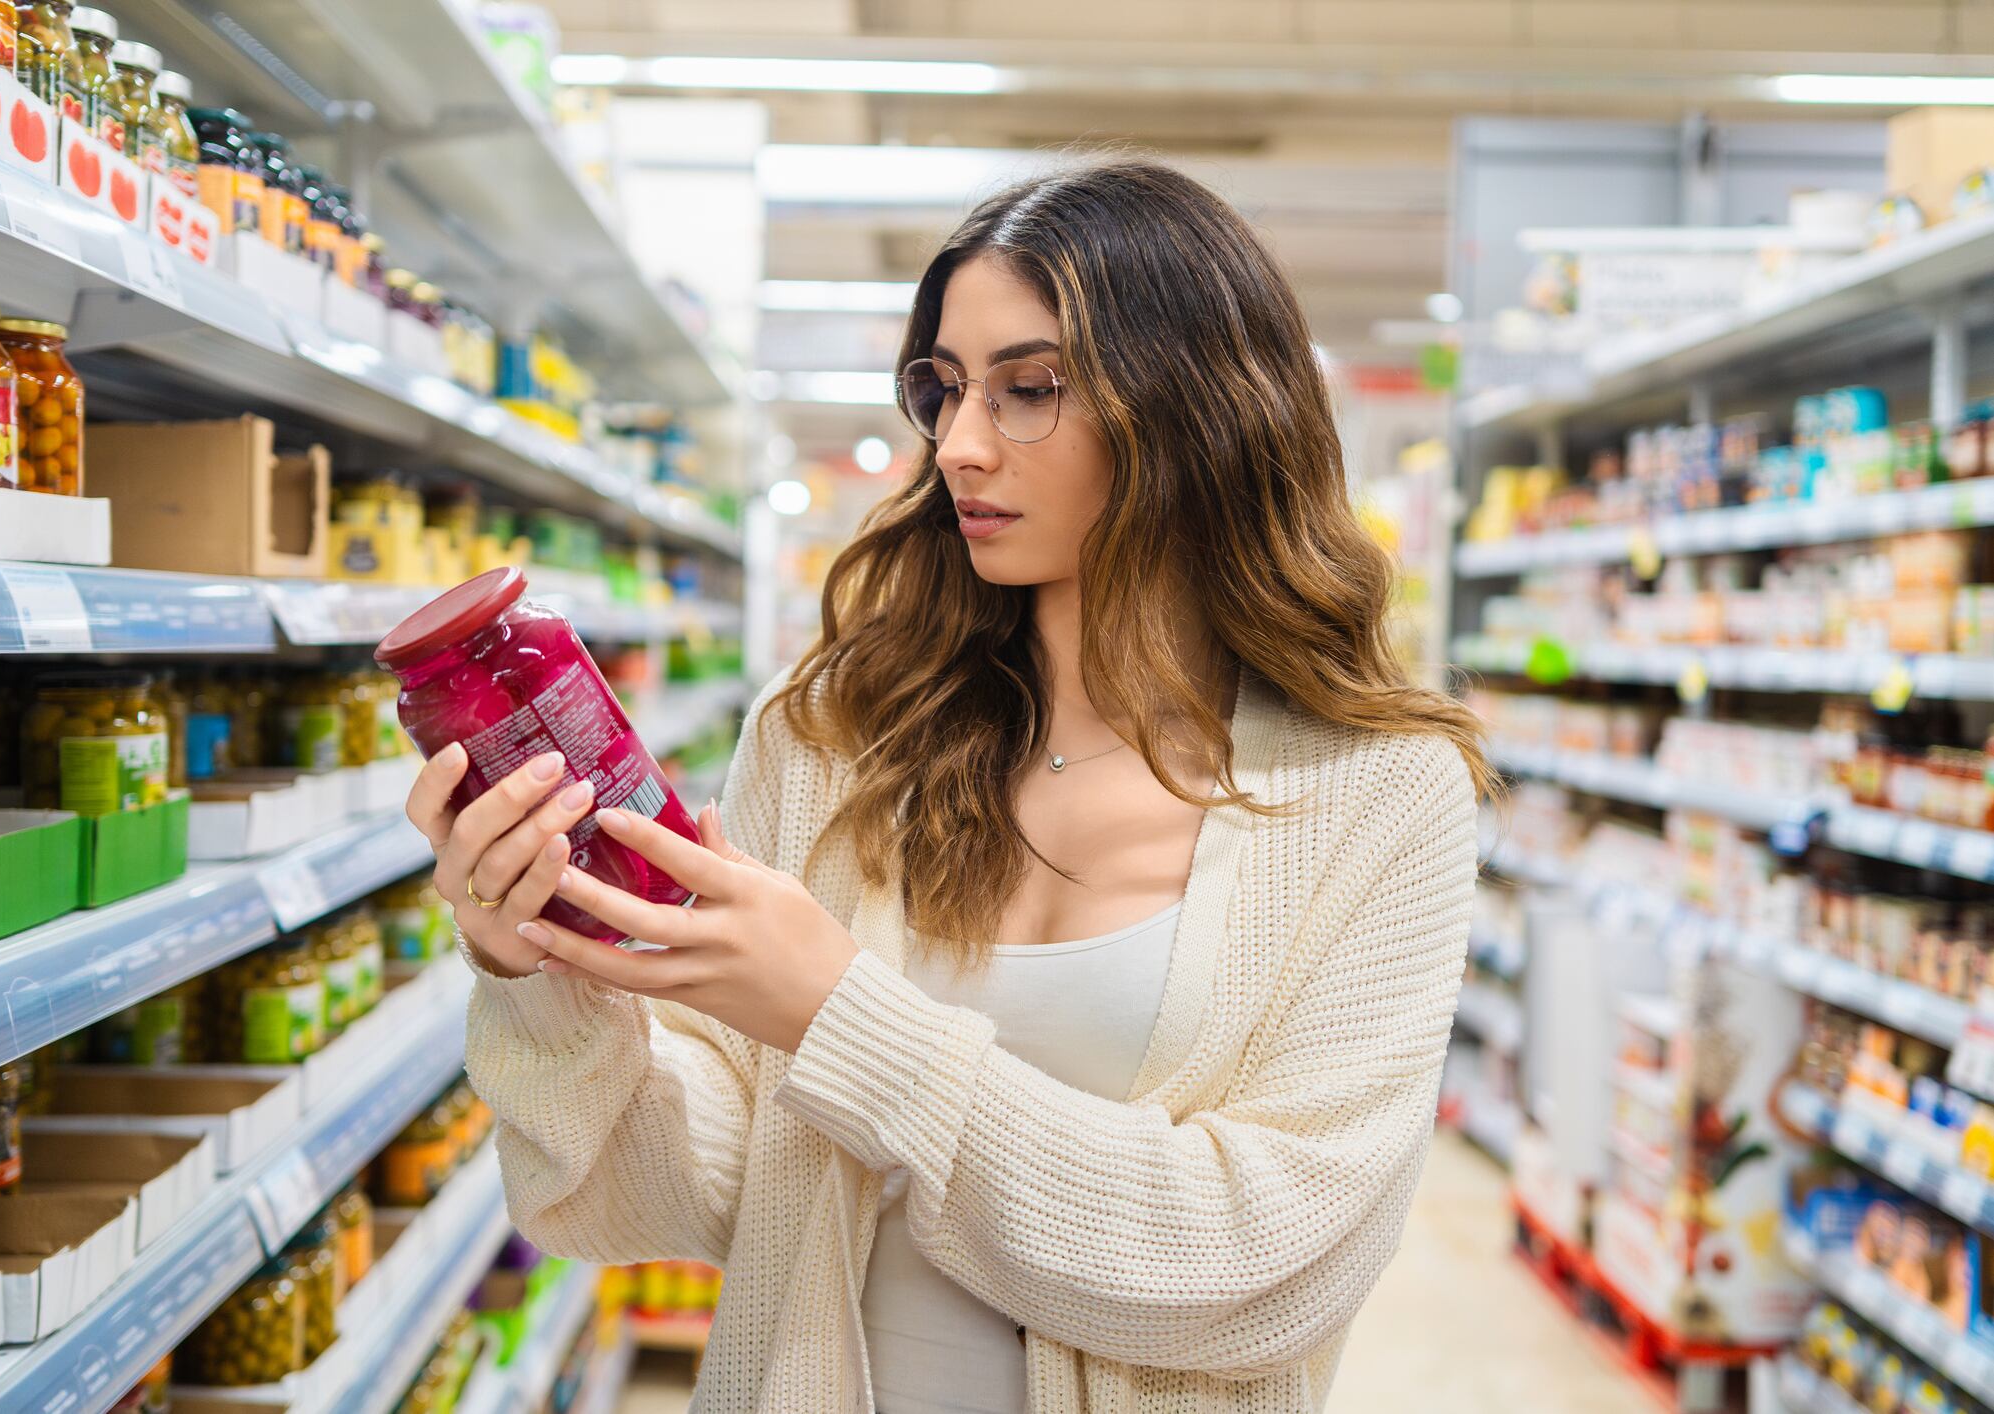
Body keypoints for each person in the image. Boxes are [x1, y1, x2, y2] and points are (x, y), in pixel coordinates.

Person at [403, 158, 1493, 1413]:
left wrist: (837, 1014)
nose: (962, 445)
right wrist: (543, 970)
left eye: (1030, 390)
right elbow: (672, 1191)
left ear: (1202, 412)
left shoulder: (1381, 796)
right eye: (946, 388)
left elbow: (1260, 1269)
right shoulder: (834, 738)